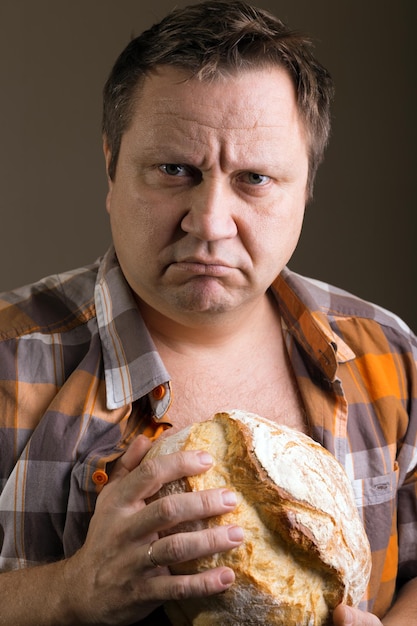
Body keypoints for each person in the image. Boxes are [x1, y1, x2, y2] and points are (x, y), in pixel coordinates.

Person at [0, 0, 415, 624]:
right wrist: (72, 591)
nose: (210, 223)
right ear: (112, 168)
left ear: (306, 187)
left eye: (254, 178)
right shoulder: (11, 362)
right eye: (174, 170)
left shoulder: (390, 355)